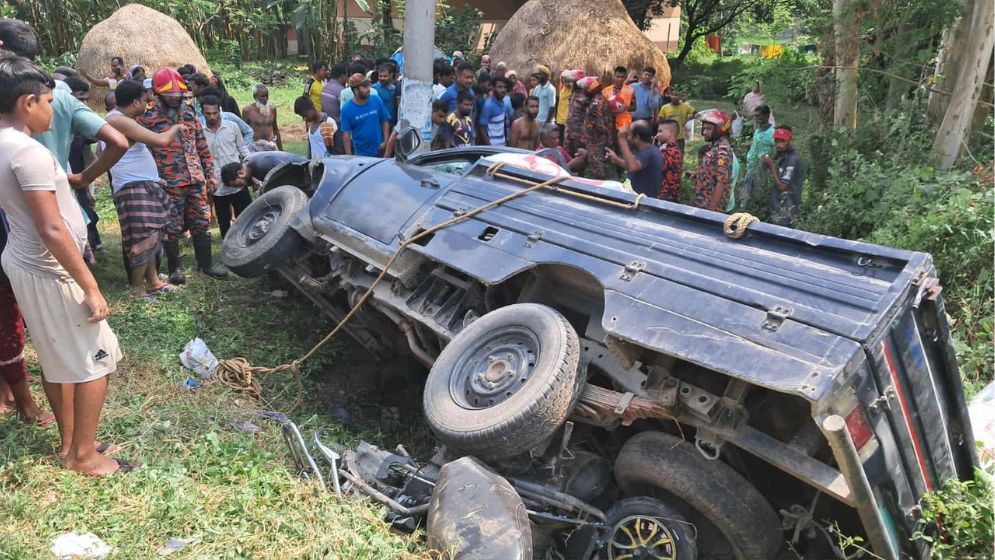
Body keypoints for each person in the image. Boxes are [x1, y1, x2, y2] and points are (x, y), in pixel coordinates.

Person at [0, 54, 129, 476]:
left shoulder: (5, 145)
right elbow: (51, 228)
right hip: (48, 265)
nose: (54, 110)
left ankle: (70, 443)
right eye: (50, 102)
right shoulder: (27, 154)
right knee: (97, 357)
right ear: (28, 102)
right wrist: (90, 286)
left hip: (22, 258)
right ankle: (84, 456)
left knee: (57, 355)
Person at [137, 67, 227, 282]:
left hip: (195, 179)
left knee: (202, 223)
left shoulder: (189, 113)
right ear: (158, 94)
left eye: (178, 95)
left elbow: (201, 145)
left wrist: (210, 175)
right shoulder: (147, 119)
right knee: (172, 226)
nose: (175, 99)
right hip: (168, 182)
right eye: (171, 96)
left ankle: (205, 265)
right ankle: (175, 269)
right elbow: (145, 152)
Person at [102, 79, 179, 297]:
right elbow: (162, 141)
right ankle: (137, 288)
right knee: (143, 236)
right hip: (133, 186)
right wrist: (177, 126)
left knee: (151, 234)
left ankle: (153, 281)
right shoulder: (119, 120)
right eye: (145, 100)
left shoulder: (119, 120)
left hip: (140, 184)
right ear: (136, 102)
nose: (148, 103)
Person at [203, 94, 250, 239]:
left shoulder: (232, 127)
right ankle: (229, 249)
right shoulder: (200, 132)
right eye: (208, 113)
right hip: (217, 185)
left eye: (215, 113)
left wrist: (247, 173)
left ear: (220, 111)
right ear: (203, 113)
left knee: (247, 217)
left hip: (237, 180)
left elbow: (243, 152)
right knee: (223, 221)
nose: (212, 117)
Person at [607, 121, 663, 197]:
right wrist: (616, 159)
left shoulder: (647, 153)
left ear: (637, 137)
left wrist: (622, 139)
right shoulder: (649, 150)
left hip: (643, 201)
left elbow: (633, 167)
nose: (628, 138)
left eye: (629, 136)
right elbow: (633, 165)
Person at [692, 111, 735, 212]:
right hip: (702, 202)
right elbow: (713, 170)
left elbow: (721, 183)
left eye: (708, 129)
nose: (704, 132)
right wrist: (698, 173)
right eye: (704, 128)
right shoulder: (714, 147)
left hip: (708, 206)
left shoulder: (722, 151)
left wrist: (711, 211)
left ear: (719, 130)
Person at [763, 126, 805, 227]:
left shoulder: (792, 159)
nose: (778, 144)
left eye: (782, 141)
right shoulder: (784, 155)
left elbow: (783, 187)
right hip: (778, 207)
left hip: (785, 211)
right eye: (776, 141)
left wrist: (771, 165)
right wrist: (773, 157)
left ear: (790, 141)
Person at [340, 73, 390, 157]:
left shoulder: (376, 100)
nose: (369, 89)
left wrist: (385, 141)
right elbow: (346, 134)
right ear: (356, 90)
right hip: (361, 155)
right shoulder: (346, 109)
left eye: (368, 86)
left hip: (380, 151)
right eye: (365, 87)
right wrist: (349, 157)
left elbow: (385, 120)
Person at [575, 76, 614, 180]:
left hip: (596, 141)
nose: (584, 91)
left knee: (597, 167)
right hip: (600, 139)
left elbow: (599, 124)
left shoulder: (595, 104)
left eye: (585, 88)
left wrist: (589, 135)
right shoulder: (601, 99)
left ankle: (599, 189)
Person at [742, 105, 775, 205]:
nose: (756, 118)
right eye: (755, 116)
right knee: (745, 195)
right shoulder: (757, 130)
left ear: (767, 116)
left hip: (762, 169)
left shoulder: (772, 133)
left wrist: (770, 161)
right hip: (751, 167)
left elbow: (777, 149)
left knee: (758, 195)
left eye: (758, 116)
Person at [293, 95, 337, 160]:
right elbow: (311, 148)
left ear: (312, 108)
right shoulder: (309, 125)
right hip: (315, 166)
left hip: (328, 166)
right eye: (302, 117)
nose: (304, 119)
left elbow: (337, 149)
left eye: (305, 115)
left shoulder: (328, 123)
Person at [242, 84, 282, 152]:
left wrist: (281, 149)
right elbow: (243, 132)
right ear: (255, 97)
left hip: (271, 145)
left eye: (266, 95)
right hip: (255, 146)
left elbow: (275, 129)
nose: (265, 99)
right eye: (262, 96)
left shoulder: (272, 109)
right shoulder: (247, 111)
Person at [321, 63, 348, 154]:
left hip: (326, 126)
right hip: (338, 126)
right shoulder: (341, 91)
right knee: (340, 152)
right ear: (342, 75)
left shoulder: (325, 87)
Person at [477, 76, 512, 146]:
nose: (503, 90)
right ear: (493, 88)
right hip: (492, 147)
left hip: (502, 145)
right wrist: (489, 146)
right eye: (500, 87)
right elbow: (481, 128)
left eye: (504, 87)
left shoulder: (503, 103)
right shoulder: (488, 106)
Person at [657, 88, 695, 153]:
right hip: (667, 136)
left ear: (680, 96)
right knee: (666, 155)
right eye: (672, 95)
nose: (674, 97)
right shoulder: (665, 107)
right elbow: (659, 120)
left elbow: (696, 113)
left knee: (679, 155)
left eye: (676, 95)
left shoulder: (685, 106)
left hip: (680, 136)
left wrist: (687, 120)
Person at [655, 119, 683, 202]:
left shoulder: (671, 152)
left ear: (670, 133)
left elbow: (655, 168)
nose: (657, 135)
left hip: (665, 196)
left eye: (660, 131)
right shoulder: (668, 149)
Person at [602, 66, 636, 131]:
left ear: (625, 78)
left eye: (622, 77)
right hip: (609, 122)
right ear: (614, 76)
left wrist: (626, 108)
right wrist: (612, 110)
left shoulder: (630, 90)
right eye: (618, 77)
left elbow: (634, 107)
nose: (620, 79)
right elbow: (601, 107)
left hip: (624, 124)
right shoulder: (606, 91)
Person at [556, 70, 581, 142]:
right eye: (564, 81)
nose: (566, 83)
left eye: (568, 81)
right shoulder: (562, 90)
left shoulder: (573, 91)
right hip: (559, 120)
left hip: (568, 121)